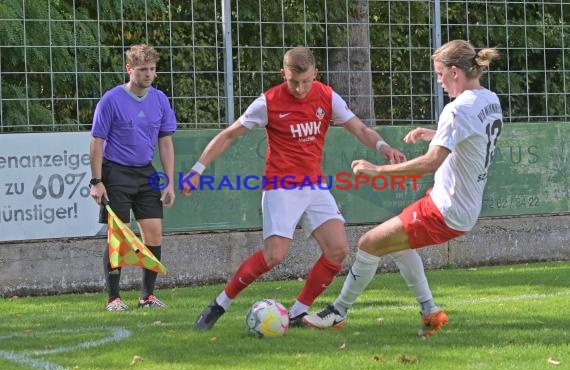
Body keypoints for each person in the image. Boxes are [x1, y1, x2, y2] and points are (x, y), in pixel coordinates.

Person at [180, 46, 406, 330]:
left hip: (314, 185)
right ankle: (219, 304)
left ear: (316, 74)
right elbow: (229, 135)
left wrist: (383, 147)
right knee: (274, 256)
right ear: (283, 74)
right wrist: (198, 169)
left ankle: (298, 312)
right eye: (293, 81)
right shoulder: (269, 101)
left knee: (337, 250)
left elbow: (359, 128)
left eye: (306, 81)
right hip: (281, 186)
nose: (299, 89)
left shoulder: (326, 96)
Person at [303, 39, 503, 337]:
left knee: (369, 243)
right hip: (457, 205)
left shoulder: (457, 109)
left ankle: (338, 312)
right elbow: (473, 139)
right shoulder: (489, 99)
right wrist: (435, 134)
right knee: (394, 245)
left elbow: (431, 163)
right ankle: (430, 312)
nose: (438, 81)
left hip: (444, 210)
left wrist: (378, 169)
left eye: (439, 74)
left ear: (454, 72)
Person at [89, 44, 177, 311]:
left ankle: (147, 297)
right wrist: (96, 181)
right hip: (115, 172)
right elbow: (97, 142)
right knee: (118, 236)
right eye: (142, 69)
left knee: (154, 235)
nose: (148, 74)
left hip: (145, 173)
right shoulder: (111, 99)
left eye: (152, 69)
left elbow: (165, 142)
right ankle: (114, 298)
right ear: (129, 70)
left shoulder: (160, 99)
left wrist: (169, 180)